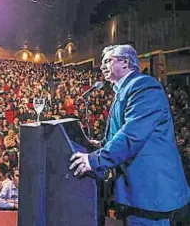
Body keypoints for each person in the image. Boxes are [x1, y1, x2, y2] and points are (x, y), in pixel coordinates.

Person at [69, 45, 190, 226]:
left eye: (108, 61)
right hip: (135, 192)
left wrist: (93, 160)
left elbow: (132, 135)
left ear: (125, 62)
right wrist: (100, 145)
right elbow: (119, 133)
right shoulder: (122, 91)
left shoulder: (144, 86)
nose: (102, 66)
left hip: (149, 191)